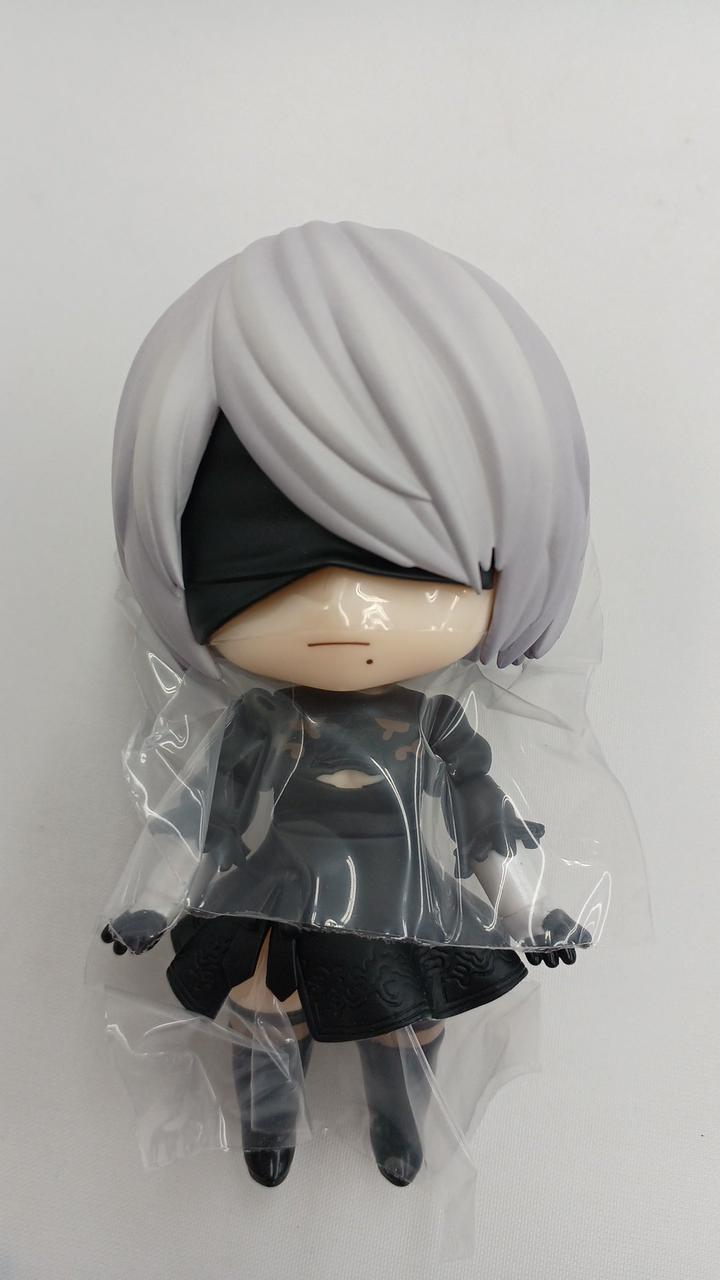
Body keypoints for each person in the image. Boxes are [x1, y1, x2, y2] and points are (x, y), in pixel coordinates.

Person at [105, 221, 591, 1188]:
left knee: (406, 1020)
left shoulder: (436, 725)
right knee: (264, 1006)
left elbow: (485, 832)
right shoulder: (260, 721)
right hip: (282, 894)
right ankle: (268, 1124)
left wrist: (534, 913)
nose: (340, 608)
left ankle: (397, 1122)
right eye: (258, 568)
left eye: (409, 566)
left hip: (397, 895)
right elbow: (201, 818)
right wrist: (148, 901)